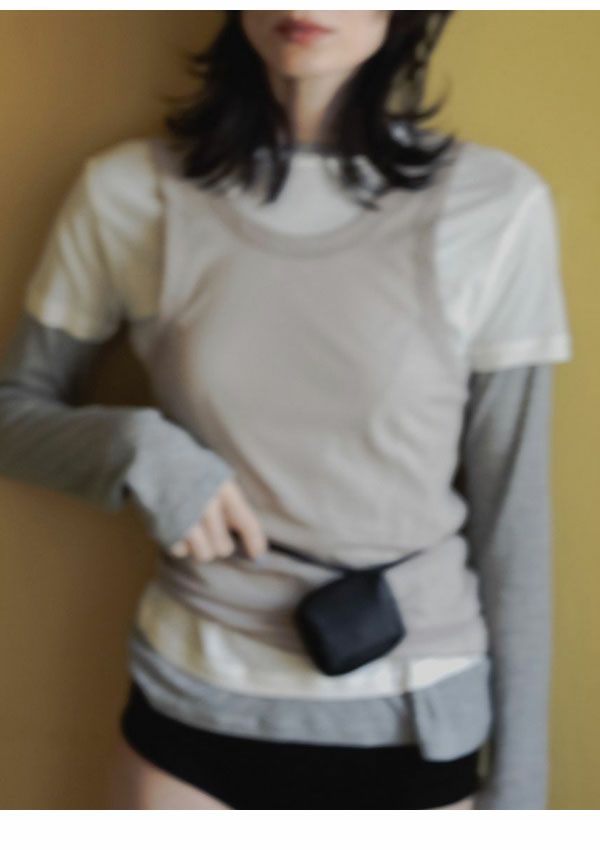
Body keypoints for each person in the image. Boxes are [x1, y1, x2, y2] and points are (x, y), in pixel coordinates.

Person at [0, 11, 573, 810]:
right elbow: (12, 414)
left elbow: (514, 519)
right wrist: (138, 448)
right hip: (192, 711)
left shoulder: (496, 206)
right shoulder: (130, 193)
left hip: (412, 718)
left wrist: (520, 803)